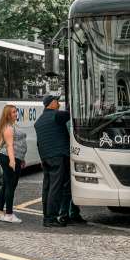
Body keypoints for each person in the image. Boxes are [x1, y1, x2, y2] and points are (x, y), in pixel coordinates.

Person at [35, 95, 84, 227]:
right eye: (57, 101)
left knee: (47, 187)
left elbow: (39, 143)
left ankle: (48, 216)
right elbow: (72, 114)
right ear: (51, 103)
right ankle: (51, 218)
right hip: (58, 156)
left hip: (46, 158)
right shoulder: (56, 115)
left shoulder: (39, 121)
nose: (59, 103)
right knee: (56, 188)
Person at [0, 104, 26, 223]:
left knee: (6, 184)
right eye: (13, 112)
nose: (16, 114)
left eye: (16, 111)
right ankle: (9, 214)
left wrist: (21, 159)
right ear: (7, 114)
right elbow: (9, 145)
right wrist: (12, 160)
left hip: (14, 157)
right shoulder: (8, 127)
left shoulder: (12, 125)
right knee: (11, 185)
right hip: (9, 157)